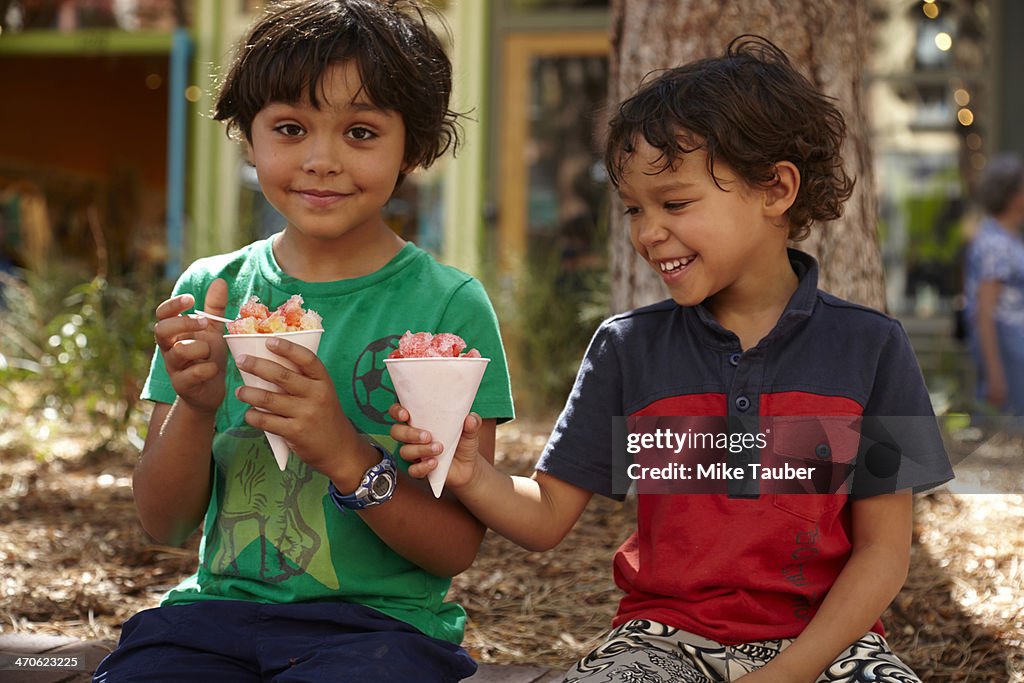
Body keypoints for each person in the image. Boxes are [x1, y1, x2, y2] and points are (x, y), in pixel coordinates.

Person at [393, 36, 952, 682]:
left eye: (675, 203)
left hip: (828, 646)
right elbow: (547, 514)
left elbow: (885, 552)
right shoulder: (626, 347)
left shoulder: (873, 347)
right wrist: (469, 473)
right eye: (634, 208)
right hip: (662, 643)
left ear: (776, 189)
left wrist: (788, 672)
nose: (647, 232)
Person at [94, 1, 513, 681]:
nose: (321, 160)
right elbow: (163, 523)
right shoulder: (212, 292)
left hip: (382, 629)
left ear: (413, 146)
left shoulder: (447, 307)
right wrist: (198, 406)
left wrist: (344, 453)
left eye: (360, 131)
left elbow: (454, 546)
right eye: (290, 127)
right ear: (248, 137)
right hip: (211, 620)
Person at [963, 154, 1024, 416]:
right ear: (1013, 196)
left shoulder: (1008, 239)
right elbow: (984, 312)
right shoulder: (995, 244)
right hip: (1007, 354)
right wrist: (994, 374)